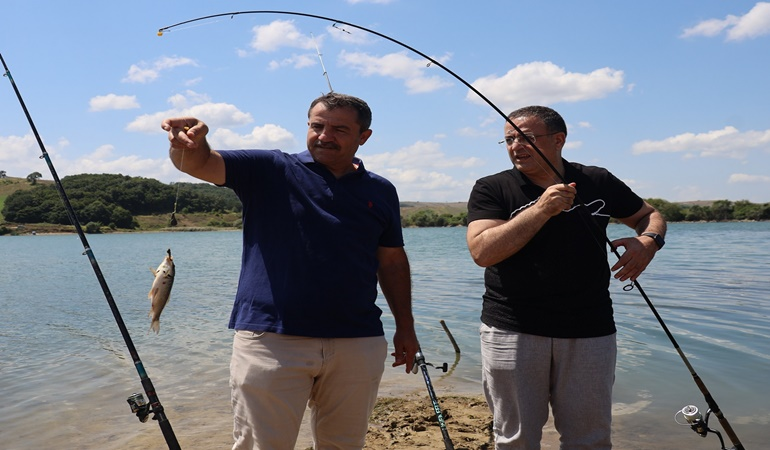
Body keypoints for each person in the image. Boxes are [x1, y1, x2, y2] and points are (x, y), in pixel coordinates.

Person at [162, 92, 419, 450]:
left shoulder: (381, 190)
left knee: (345, 445)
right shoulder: (269, 168)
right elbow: (200, 163)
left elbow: (391, 261)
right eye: (317, 126)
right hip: (272, 339)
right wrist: (188, 143)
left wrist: (405, 326)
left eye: (340, 129)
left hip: (358, 340)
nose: (324, 136)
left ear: (364, 136)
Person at [465, 105, 667, 449]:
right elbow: (483, 252)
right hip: (513, 329)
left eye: (526, 137)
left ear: (558, 140)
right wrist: (542, 209)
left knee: (590, 440)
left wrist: (649, 241)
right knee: (515, 440)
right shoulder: (492, 188)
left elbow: (649, 215)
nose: (516, 146)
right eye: (509, 139)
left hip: (591, 329)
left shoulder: (597, 180)